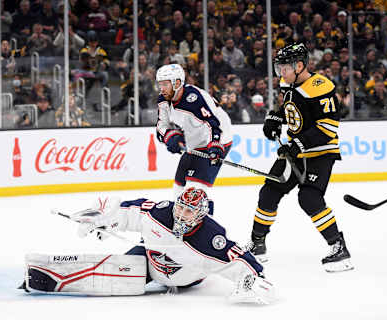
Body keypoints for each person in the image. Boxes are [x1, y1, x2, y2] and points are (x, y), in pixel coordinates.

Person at [20, 188, 276, 304]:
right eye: (180, 207)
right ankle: (45, 277)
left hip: (182, 277)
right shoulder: (160, 213)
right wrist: (103, 220)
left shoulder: (210, 238)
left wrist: (254, 278)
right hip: (150, 258)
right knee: (118, 269)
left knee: (127, 270)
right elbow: (127, 210)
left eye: (188, 212)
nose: (181, 214)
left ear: (200, 215)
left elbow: (239, 257)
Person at [245, 43, 353, 273]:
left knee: (309, 199)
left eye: (284, 67)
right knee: (269, 192)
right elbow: (288, 108)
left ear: (300, 66)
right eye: (279, 67)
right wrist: (274, 117)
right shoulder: (288, 83)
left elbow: (328, 127)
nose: (280, 72)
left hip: (320, 153)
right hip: (295, 150)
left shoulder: (321, 87)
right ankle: (257, 244)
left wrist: (298, 144)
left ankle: (338, 247)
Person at [155, 64, 233, 197]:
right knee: (178, 191)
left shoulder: (194, 98)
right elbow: (161, 126)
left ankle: (205, 216)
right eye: (159, 84)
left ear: (177, 83)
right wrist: (170, 137)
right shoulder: (163, 100)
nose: (161, 89)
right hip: (194, 142)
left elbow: (214, 124)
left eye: (165, 84)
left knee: (194, 194)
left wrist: (214, 146)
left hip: (216, 140)